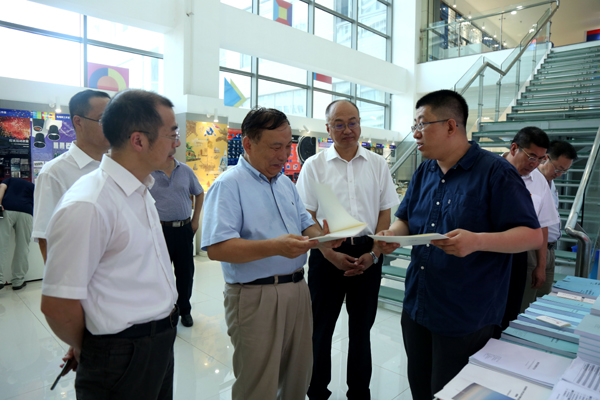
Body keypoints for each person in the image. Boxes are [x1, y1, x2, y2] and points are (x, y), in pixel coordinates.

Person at [376, 90, 542, 400]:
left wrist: (477, 241)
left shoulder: (495, 172)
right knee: (420, 388)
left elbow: (532, 235)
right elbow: (406, 218)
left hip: (465, 314)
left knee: (453, 393)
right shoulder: (424, 171)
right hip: (418, 304)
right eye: (414, 125)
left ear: (451, 126)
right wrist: (393, 235)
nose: (415, 133)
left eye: (422, 124)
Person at [40, 89, 180, 400]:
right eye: (172, 134)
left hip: (157, 341)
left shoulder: (140, 189)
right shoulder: (89, 203)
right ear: (138, 140)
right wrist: (91, 346)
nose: (177, 143)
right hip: (119, 354)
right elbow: (57, 304)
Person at [201, 107, 342, 400]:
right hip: (255, 296)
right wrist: (275, 246)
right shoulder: (229, 185)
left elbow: (305, 224)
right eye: (275, 147)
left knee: (297, 376)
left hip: (298, 290)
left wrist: (324, 239)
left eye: (288, 146)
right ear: (248, 143)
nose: (284, 155)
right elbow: (217, 248)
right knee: (259, 384)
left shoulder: (285, 184)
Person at [295, 100, 399, 400]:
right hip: (326, 252)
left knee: (361, 330)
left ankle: (359, 392)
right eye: (338, 124)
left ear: (360, 124)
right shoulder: (314, 166)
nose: (347, 130)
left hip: (367, 252)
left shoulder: (377, 164)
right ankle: (317, 392)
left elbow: (384, 212)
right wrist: (329, 253)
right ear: (328, 129)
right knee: (321, 329)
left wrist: (375, 254)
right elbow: (305, 216)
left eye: (352, 122)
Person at [32, 89, 111, 262]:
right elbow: (46, 238)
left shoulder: (117, 167)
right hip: (81, 272)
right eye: (103, 120)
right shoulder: (54, 173)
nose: (112, 126)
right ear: (78, 122)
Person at [501, 127, 560, 317]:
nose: (534, 164)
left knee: (514, 311)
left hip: (520, 255)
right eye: (531, 156)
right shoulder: (490, 171)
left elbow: (543, 225)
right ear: (514, 148)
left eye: (541, 159)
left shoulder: (538, 181)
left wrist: (540, 266)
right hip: (489, 251)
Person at [522, 139, 577, 308]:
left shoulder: (550, 183)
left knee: (543, 302)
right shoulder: (531, 181)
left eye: (564, 171)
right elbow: (540, 225)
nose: (559, 174)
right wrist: (540, 264)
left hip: (550, 249)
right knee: (526, 302)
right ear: (545, 158)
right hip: (534, 249)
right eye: (558, 169)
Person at [150, 157, 204, 327]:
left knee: (185, 273)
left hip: (184, 229)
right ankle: (165, 311)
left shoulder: (185, 170)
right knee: (161, 274)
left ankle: (185, 310)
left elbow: (199, 193)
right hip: (160, 231)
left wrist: (195, 220)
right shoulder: (149, 171)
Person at [0, 178, 34, 290]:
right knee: (22, 247)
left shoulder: (9, 180)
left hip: (7, 209)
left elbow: (1, 187)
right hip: (26, 212)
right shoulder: (32, 186)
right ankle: (18, 281)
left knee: (1, 244)